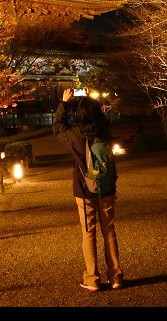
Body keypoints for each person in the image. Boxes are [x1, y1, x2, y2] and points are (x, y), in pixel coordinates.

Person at [53, 88, 124, 292]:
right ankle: (116, 277)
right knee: (109, 231)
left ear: (80, 115)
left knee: (88, 232)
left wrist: (64, 104)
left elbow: (58, 128)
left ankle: (92, 278)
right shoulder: (105, 132)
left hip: (85, 189)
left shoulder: (76, 136)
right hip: (108, 188)